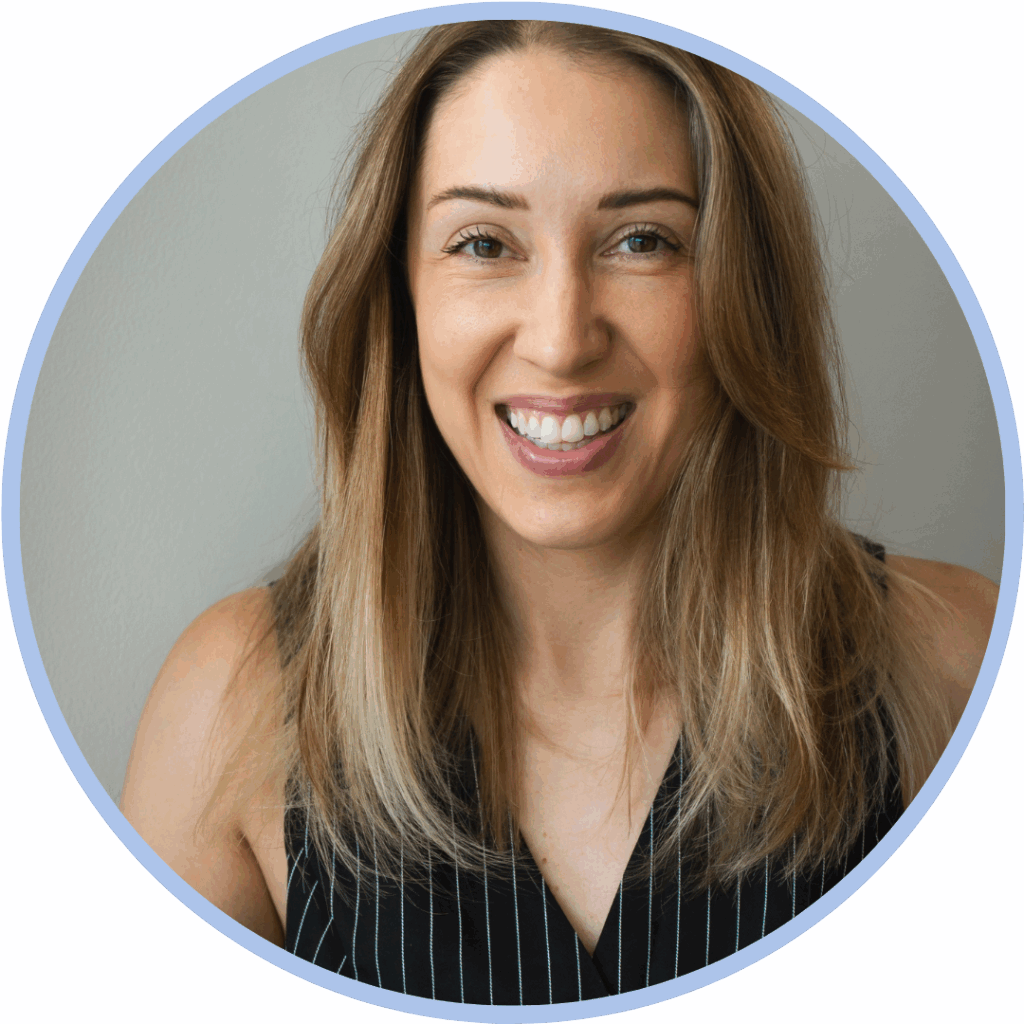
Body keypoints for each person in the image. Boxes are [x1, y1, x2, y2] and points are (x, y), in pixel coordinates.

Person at [120, 20, 998, 1004]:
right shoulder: (230, 710)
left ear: (739, 288)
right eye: (483, 243)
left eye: (642, 240)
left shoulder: (956, 666)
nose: (560, 338)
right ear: (399, 295)